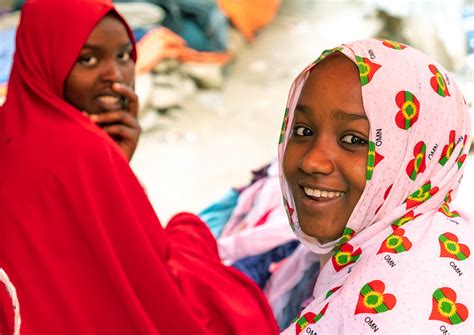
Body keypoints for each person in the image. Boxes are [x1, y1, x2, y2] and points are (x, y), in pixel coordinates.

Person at [0, 0, 279, 334]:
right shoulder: (84, 150)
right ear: (44, 60)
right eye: (88, 60)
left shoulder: (14, 129)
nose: (114, 76)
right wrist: (189, 232)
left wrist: (115, 164)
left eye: (123, 56)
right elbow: (153, 278)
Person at [278, 38, 472, 333]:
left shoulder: (394, 318)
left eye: (354, 140)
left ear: (417, 157)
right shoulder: (443, 236)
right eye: (303, 131)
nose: (312, 162)